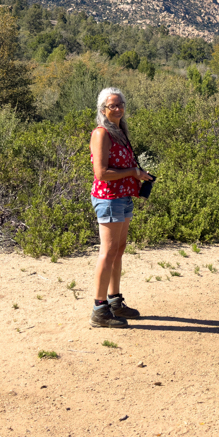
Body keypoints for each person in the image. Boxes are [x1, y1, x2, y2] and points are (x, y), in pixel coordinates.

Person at [89, 87, 153, 328]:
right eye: (112, 105)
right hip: (109, 198)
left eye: (121, 104)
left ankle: (115, 301)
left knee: (119, 249)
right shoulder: (101, 133)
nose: (117, 109)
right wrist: (133, 172)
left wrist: (137, 175)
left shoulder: (119, 132)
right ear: (103, 109)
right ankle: (99, 309)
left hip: (123, 196)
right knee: (107, 252)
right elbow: (101, 173)